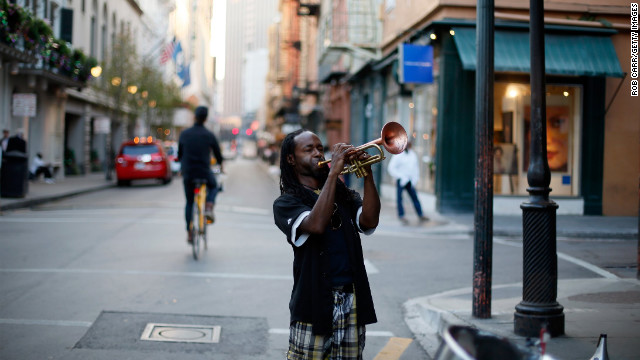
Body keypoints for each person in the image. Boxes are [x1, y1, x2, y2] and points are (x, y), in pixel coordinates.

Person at [273, 129, 380, 360]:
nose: (318, 153)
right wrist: (334, 173)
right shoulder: (286, 202)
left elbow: (369, 221)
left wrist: (368, 174)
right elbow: (316, 224)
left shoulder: (343, 194)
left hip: (351, 299)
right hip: (313, 304)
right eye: (308, 149)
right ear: (291, 159)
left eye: (320, 148)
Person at [178, 106, 224, 244]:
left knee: (189, 202)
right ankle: (209, 206)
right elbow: (218, 154)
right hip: (204, 171)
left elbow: (180, 154)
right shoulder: (209, 135)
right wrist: (221, 165)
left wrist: (182, 166)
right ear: (205, 118)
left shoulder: (184, 134)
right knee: (214, 186)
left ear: (194, 117)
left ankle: (189, 232)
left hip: (188, 172)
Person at [387, 141, 428, 225]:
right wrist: (400, 176)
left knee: (415, 198)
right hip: (401, 180)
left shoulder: (413, 154)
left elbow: (415, 168)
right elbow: (391, 168)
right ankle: (401, 215)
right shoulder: (398, 155)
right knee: (399, 199)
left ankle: (420, 214)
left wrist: (415, 179)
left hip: (410, 180)